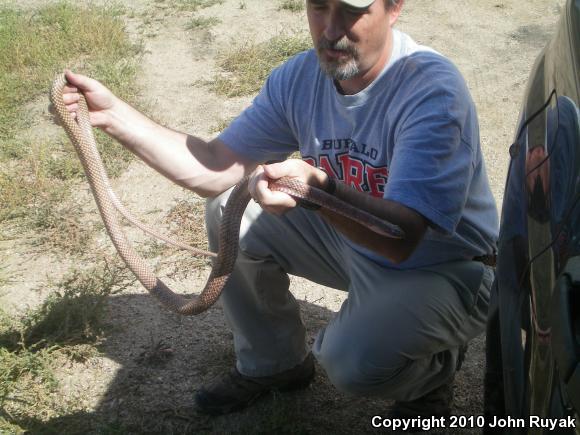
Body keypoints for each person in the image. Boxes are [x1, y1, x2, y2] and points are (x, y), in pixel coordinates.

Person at [57, 0, 499, 419]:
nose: (330, 29)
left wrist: (317, 189)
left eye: (350, 10)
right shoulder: (300, 78)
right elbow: (214, 166)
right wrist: (113, 115)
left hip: (441, 266)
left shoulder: (431, 90)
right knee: (229, 206)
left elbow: (401, 239)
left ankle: (429, 374)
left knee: (350, 363)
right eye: (319, 5)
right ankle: (275, 364)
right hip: (354, 242)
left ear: (394, 7)